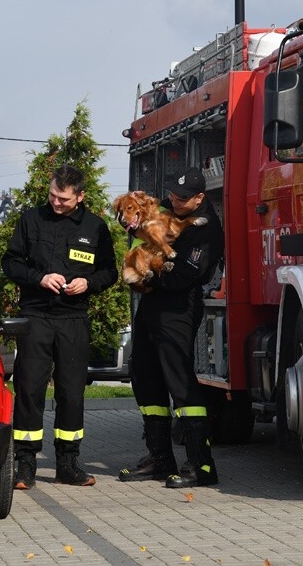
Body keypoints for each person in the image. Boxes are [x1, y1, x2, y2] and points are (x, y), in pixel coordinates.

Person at [1, 164, 117, 489]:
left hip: (73, 319)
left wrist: (88, 283)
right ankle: (24, 465)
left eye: (64, 199)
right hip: (35, 316)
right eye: (53, 195)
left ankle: (68, 463)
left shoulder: (95, 227)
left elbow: (110, 272)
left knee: (71, 392)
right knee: (30, 389)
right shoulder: (31, 219)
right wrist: (39, 277)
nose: (56, 202)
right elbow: (10, 262)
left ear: (80, 197)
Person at [119, 167, 224, 488]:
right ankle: (160, 458)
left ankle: (200, 465)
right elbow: (139, 225)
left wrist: (151, 275)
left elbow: (183, 276)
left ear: (200, 198)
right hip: (151, 304)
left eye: (182, 199)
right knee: (144, 374)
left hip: (179, 305)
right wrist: (130, 220)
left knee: (179, 381)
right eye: (173, 195)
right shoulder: (167, 206)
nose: (174, 202)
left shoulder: (206, 231)